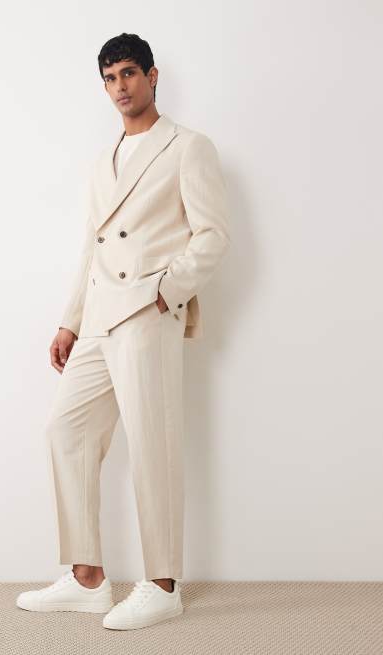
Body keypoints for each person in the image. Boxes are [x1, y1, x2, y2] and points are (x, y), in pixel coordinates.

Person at [16, 32, 230, 630]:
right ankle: (87, 579)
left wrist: (165, 292)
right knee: (66, 430)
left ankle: (162, 584)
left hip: (145, 312)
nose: (120, 87)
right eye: (110, 78)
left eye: (129, 73)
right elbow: (93, 247)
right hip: (98, 319)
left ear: (152, 76)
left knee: (152, 443)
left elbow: (213, 235)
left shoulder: (188, 148)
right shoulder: (102, 161)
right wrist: (70, 320)